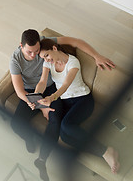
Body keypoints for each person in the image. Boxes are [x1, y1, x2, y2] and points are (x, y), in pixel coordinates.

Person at [9, 29, 116, 180]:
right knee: (16, 125)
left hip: (55, 89)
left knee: (57, 122)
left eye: (38, 51)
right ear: (21, 46)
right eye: (30, 52)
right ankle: (29, 138)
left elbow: (76, 42)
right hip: (31, 93)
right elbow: (21, 91)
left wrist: (97, 56)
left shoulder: (50, 48)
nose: (34, 56)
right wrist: (37, 102)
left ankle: (41, 160)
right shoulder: (16, 60)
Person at [35, 38, 120, 175]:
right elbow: (42, 81)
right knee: (65, 137)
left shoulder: (73, 62)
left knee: (66, 126)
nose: (46, 59)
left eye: (47, 55)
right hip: (66, 101)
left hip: (83, 101)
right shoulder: (48, 64)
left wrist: (52, 97)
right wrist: (37, 93)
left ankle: (106, 152)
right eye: (43, 57)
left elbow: (66, 85)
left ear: (54, 48)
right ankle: (103, 153)